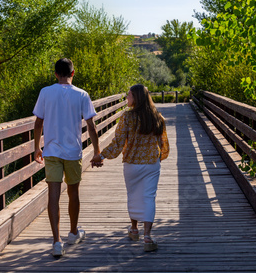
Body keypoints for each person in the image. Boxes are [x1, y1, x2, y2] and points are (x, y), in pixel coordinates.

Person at [33, 58, 100, 257]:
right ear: (73, 73)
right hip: (73, 152)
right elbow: (91, 126)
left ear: (55, 74)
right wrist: (97, 152)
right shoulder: (82, 94)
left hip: (52, 151)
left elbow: (38, 123)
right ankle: (73, 232)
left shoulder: (45, 92)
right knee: (73, 193)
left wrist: (36, 147)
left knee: (53, 195)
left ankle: (56, 242)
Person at [91, 84, 169, 252]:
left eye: (129, 95)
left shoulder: (127, 117)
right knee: (148, 197)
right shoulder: (158, 117)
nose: (127, 98)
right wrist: (159, 157)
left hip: (132, 163)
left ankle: (134, 230)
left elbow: (118, 142)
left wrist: (101, 156)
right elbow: (163, 143)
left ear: (137, 98)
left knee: (133, 195)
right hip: (151, 164)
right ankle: (147, 237)